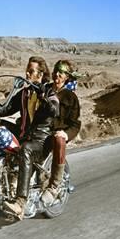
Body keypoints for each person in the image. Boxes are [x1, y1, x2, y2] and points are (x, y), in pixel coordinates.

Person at [0, 56, 60, 220]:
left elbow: (54, 111)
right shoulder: (24, 93)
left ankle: (20, 203)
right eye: (27, 69)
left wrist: (43, 97)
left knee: (25, 149)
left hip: (40, 142)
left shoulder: (49, 91)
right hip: (24, 136)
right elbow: (4, 110)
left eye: (31, 71)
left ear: (40, 74)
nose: (27, 73)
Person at [40, 60, 82, 204]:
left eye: (62, 72)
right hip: (39, 131)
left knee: (59, 139)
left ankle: (54, 186)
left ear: (67, 77)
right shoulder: (44, 89)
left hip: (54, 134)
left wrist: (65, 134)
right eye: (56, 71)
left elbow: (75, 124)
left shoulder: (71, 98)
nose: (57, 74)